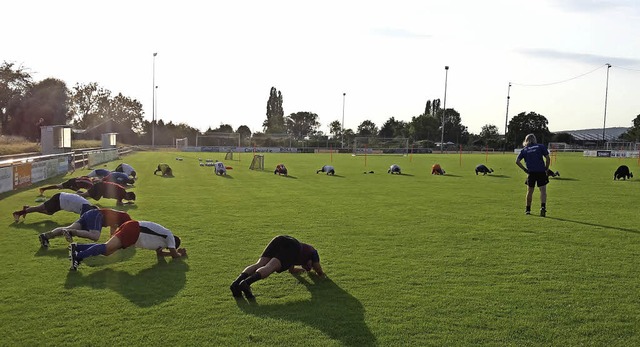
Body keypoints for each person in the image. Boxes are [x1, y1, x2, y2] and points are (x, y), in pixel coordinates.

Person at [229, 235, 324, 299]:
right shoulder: (313, 252)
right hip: (292, 245)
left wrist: (303, 270)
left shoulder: (296, 256)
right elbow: (318, 269)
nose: (309, 266)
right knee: (270, 267)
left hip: (280, 239)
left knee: (260, 264)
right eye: (310, 265)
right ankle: (246, 283)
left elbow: (292, 270)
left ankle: (236, 283)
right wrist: (322, 275)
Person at [69, 220, 187, 271]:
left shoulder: (162, 241)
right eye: (170, 248)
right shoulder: (169, 236)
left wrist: (173, 253)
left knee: (107, 251)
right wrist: (180, 254)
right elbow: (174, 255)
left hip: (133, 230)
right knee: (108, 248)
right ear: (173, 243)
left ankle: (78, 247)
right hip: (134, 230)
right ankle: (78, 256)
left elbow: (160, 254)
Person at [38, 208, 131, 248]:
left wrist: (111, 240)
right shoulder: (127, 220)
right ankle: (71, 232)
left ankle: (45, 236)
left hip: (90, 213)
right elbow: (122, 232)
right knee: (95, 236)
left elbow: (113, 230)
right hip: (97, 215)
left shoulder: (122, 217)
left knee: (67, 228)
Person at [516, 133, 551, 217]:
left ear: (526, 140)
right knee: (543, 191)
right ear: (535, 139)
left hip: (531, 173)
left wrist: (525, 170)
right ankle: (543, 207)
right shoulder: (540, 146)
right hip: (541, 171)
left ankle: (528, 209)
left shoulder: (525, 150)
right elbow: (547, 158)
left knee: (529, 191)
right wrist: (546, 168)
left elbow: (517, 161)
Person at [12, 192, 95, 223]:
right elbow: (83, 220)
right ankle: (18, 213)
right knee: (40, 208)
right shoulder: (87, 208)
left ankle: (27, 208)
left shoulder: (87, 205)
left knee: (49, 212)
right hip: (60, 199)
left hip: (62, 202)